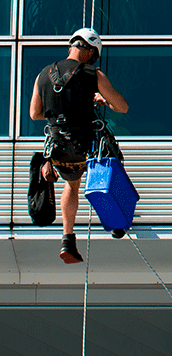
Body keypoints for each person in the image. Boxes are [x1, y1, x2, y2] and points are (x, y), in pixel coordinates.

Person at [29, 28, 129, 264]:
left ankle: (68, 238)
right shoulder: (93, 74)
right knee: (112, 166)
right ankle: (115, 222)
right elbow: (122, 106)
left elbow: (35, 114)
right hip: (86, 146)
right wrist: (102, 100)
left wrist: (61, 113)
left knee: (71, 185)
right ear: (90, 50)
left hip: (59, 149)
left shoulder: (43, 74)